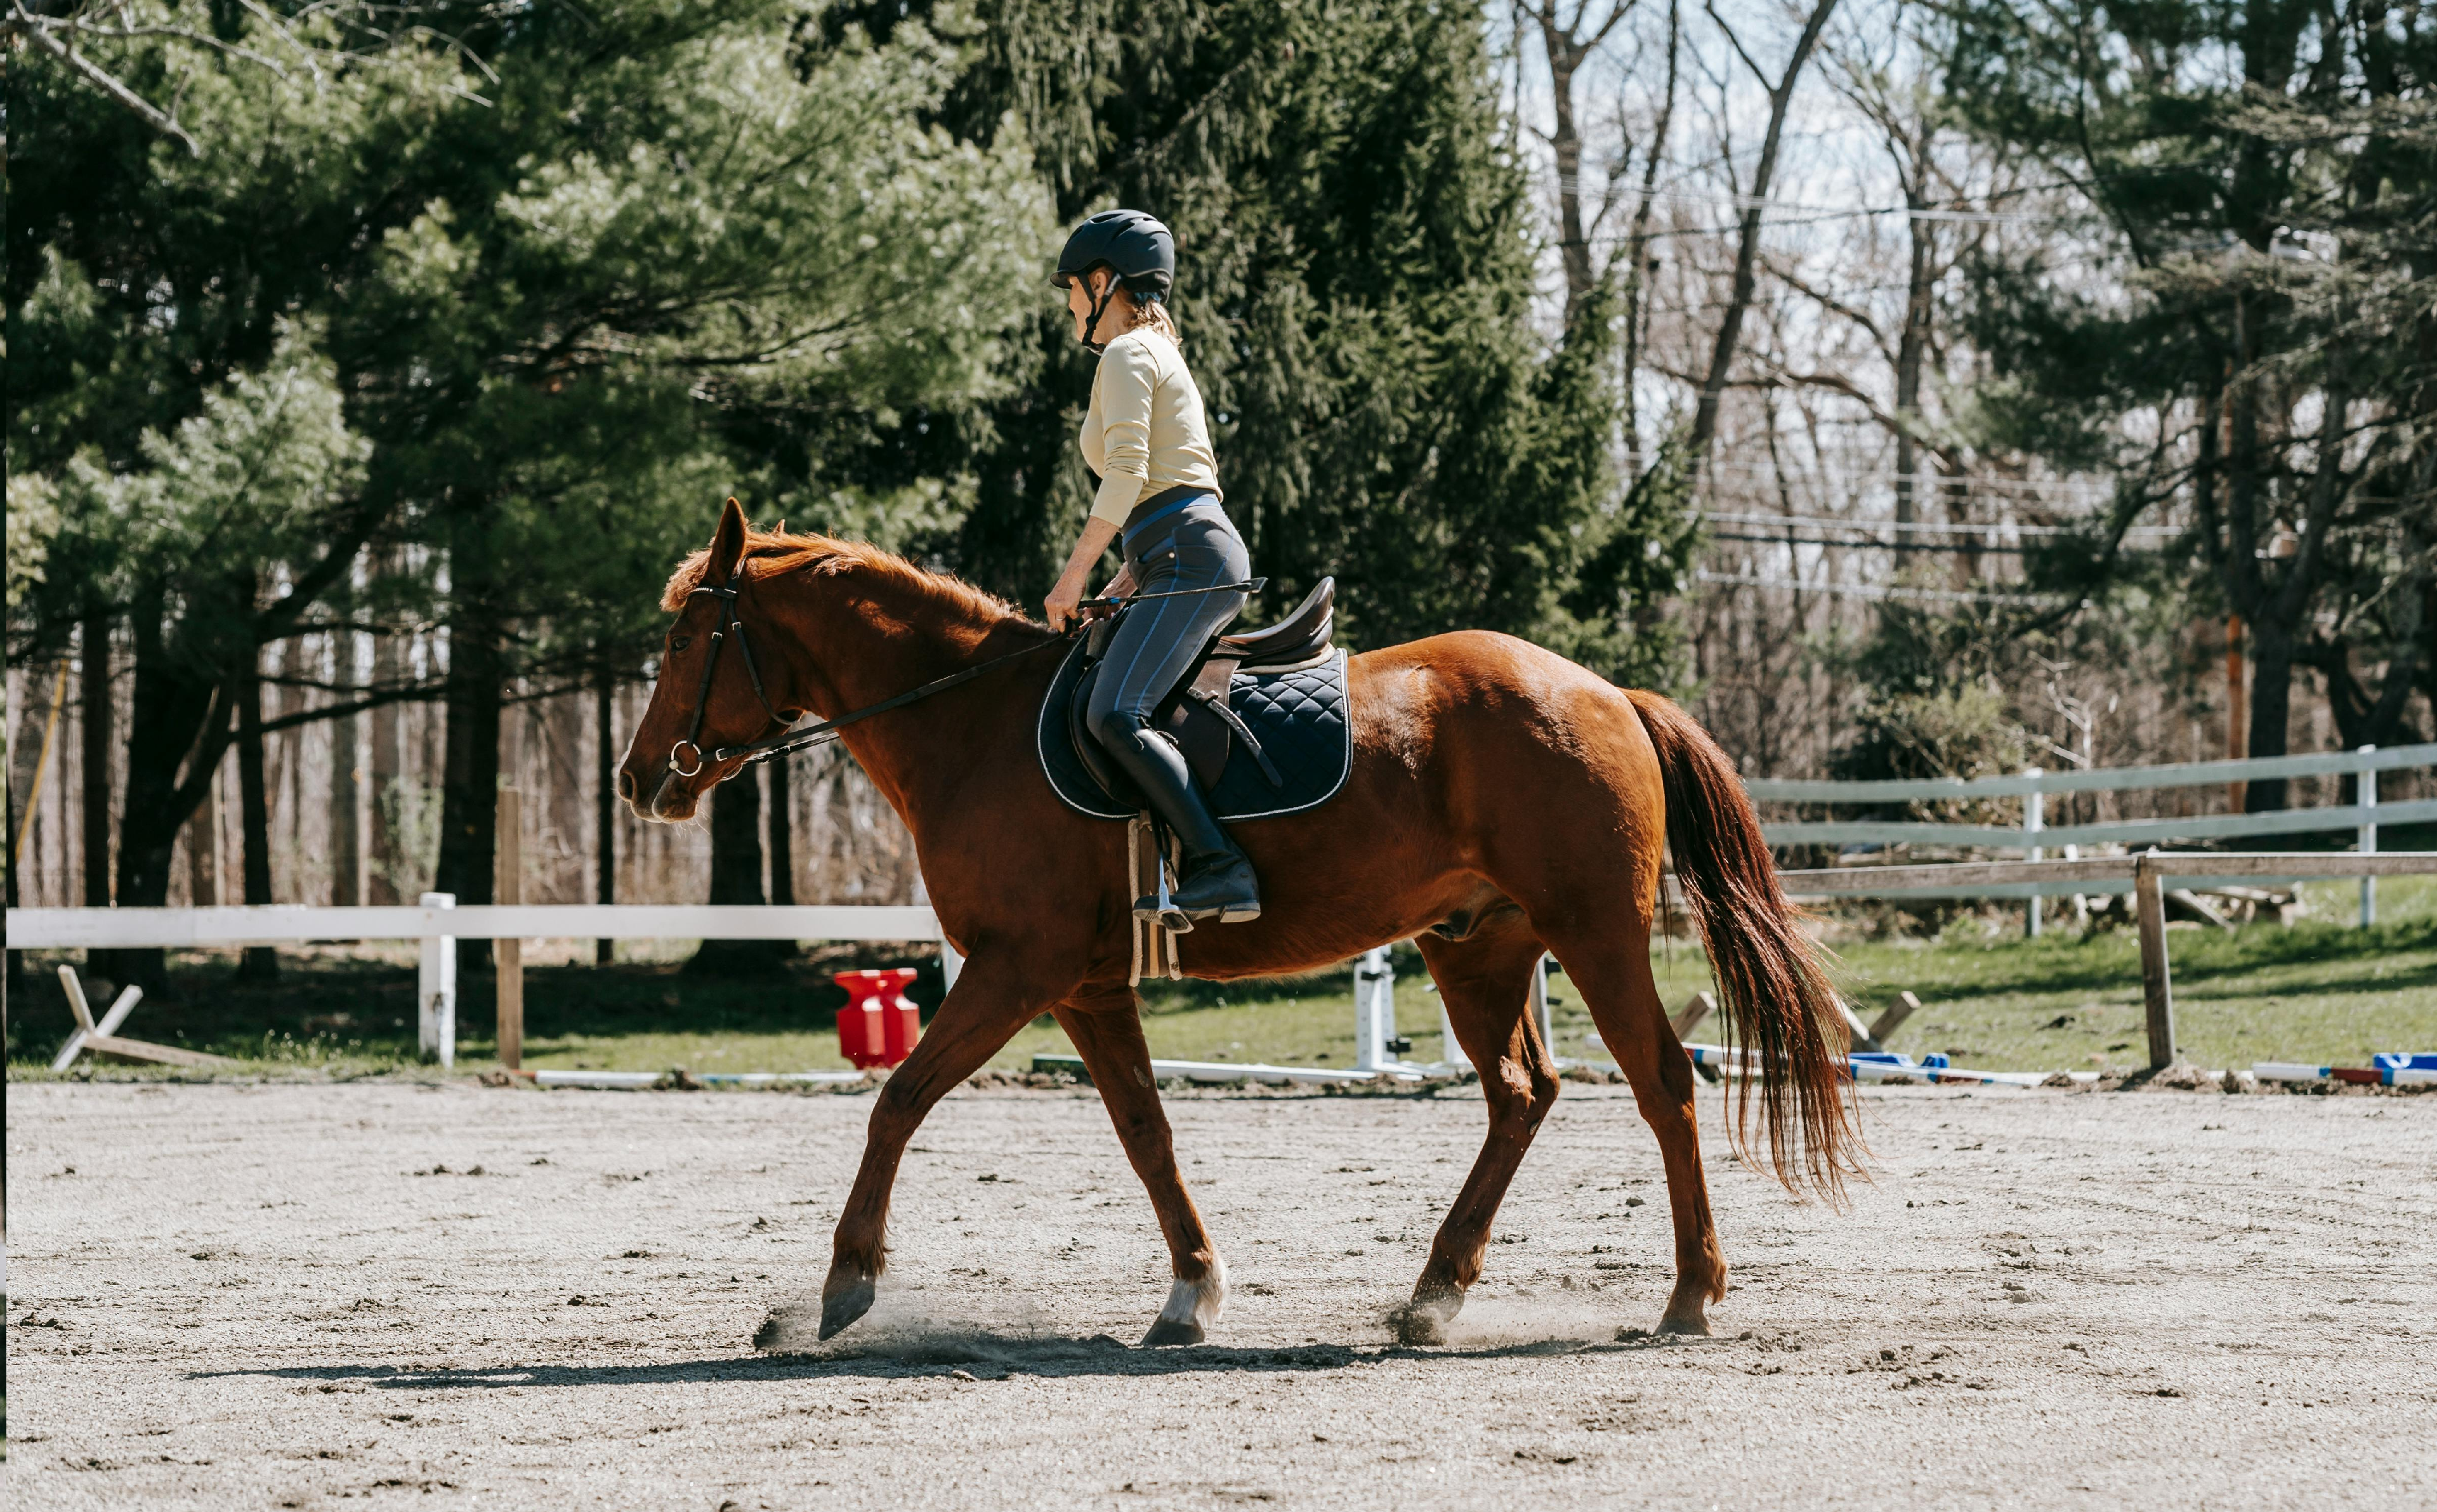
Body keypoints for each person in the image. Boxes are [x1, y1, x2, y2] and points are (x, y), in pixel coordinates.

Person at [1042, 209, 1260, 927]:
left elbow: (1131, 473)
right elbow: (1169, 486)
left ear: (1103, 284)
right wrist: (1120, 582)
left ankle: (1220, 866)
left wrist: (1073, 576)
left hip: (1188, 554)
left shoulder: (1127, 355)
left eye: (1074, 288)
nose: (1072, 302)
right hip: (1175, 549)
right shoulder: (1156, 355)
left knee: (1115, 712)